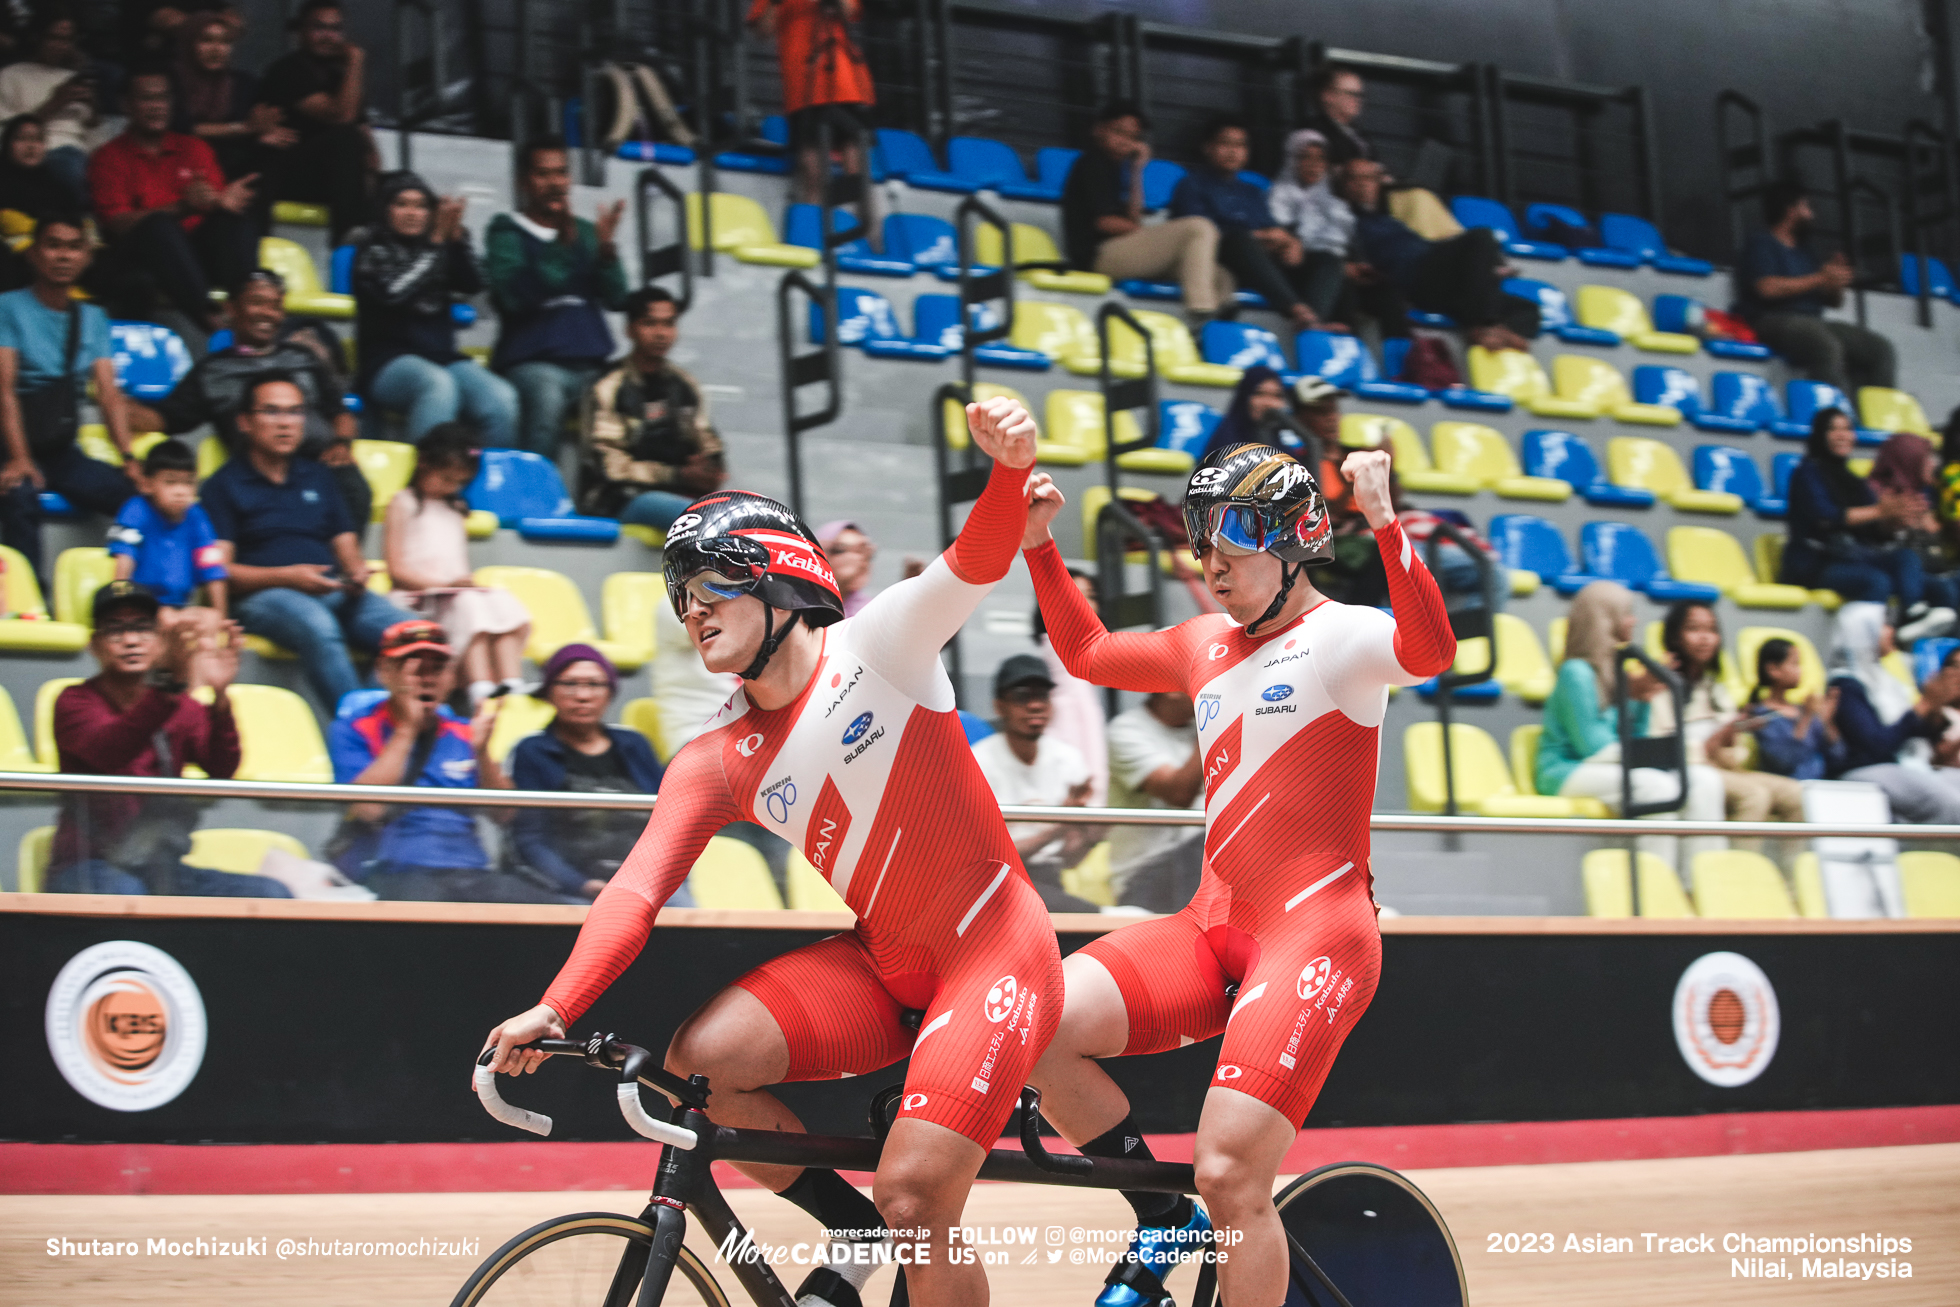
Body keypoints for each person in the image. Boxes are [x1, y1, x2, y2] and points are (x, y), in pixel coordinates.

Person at [484, 397, 1062, 1307]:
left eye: (709, 587)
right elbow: (635, 891)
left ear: (777, 580)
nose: (690, 612)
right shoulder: (714, 755)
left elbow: (976, 561)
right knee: (699, 1063)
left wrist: (1006, 469)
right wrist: (555, 1007)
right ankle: (855, 1233)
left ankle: (891, 1223)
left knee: (915, 1194)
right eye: (680, 598)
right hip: (886, 959)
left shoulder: (880, 645)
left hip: (993, 949)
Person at [1019, 439, 1454, 1307]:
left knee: (1227, 1171)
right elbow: (1087, 652)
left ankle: (1204, 1218)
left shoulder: (1346, 637)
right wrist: (1036, 542)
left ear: (1298, 541)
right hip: (1209, 926)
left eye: (1234, 538)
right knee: (1036, 1021)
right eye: (1200, 539)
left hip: (1316, 935)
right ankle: (1157, 1212)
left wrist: (1385, 518)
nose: (1210, 561)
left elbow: (1432, 651)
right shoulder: (1201, 643)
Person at [45, 580, 290, 897]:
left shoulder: (180, 705)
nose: (131, 640)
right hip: (86, 867)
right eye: (114, 630)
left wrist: (220, 698)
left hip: (159, 868)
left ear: (160, 641)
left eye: (143, 628)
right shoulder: (75, 701)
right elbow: (109, 751)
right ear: (94, 644)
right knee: (130, 896)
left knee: (271, 894)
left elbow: (221, 769)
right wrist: (170, 684)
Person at [331, 619, 576, 902]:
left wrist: (482, 753)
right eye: (414, 668)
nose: (427, 679)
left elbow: (505, 815)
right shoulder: (354, 728)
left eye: (437, 669)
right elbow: (367, 811)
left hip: (471, 871)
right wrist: (407, 730)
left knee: (555, 913)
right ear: (385, 671)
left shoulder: (464, 732)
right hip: (392, 871)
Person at [201, 373, 403, 711]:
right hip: (261, 596)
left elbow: (346, 545)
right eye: (272, 412)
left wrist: (355, 573)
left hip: (330, 588)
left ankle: (378, 719)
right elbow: (220, 573)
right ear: (245, 421)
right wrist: (287, 577)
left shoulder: (319, 475)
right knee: (318, 627)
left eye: (295, 412)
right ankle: (357, 730)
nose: (286, 424)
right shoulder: (223, 485)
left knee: (408, 634)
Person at [128, 267, 371, 528]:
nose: (268, 313)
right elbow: (164, 418)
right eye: (257, 303)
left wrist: (342, 443)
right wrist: (117, 402)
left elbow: (340, 413)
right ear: (231, 308)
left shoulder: (304, 357)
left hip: (319, 466)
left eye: (276, 305)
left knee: (354, 488)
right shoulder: (212, 372)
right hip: (259, 475)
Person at [1535, 581, 1728, 867]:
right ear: (1605, 618)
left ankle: (1702, 882)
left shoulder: (1620, 670)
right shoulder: (1576, 673)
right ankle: (1656, 885)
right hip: (1566, 770)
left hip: (1610, 763)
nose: (1633, 620)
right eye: (1626, 613)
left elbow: (1635, 736)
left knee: (1705, 781)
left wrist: (1642, 699)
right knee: (1658, 787)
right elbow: (1591, 746)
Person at [0, 212, 136, 587]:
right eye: (53, 245)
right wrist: (19, 457)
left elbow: (109, 393)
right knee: (20, 497)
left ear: (87, 257)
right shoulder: (7, 307)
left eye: (75, 247)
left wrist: (128, 458)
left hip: (60, 447)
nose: (64, 256)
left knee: (134, 497)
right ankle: (30, 601)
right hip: (10, 442)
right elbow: (4, 390)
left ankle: (133, 591)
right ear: (34, 254)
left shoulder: (93, 318)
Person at [507, 643, 683, 904]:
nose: (582, 695)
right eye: (569, 684)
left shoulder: (635, 745)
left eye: (594, 684)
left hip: (644, 882)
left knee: (689, 923)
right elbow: (531, 840)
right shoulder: (532, 751)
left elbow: (668, 825)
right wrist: (581, 885)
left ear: (610, 693)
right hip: (568, 887)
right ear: (549, 693)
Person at [487, 136, 628, 457]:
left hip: (593, 365)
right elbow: (513, 298)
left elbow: (618, 298)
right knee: (547, 398)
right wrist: (561, 249)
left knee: (638, 399)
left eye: (562, 173)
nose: (555, 183)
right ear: (523, 181)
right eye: (543, 174)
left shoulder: (587, 232)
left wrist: (606, 253)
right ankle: (534, 500)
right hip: (534, 364)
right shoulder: (506, 231)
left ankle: (609, 499)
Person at [88, 69, 259, 332]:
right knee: (158, 224)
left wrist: (221, 201)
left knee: (233, 222)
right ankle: (212, 322)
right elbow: (116, 224)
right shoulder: (108, 157)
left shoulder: (195, 148)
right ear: (126, 104)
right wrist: (182, 207)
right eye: (147, 99)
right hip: (136, 259)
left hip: (194, 258)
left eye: (163, 98)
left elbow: (212, 203)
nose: (156, 107)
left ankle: (248, 307)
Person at [353, 170, 516, 446]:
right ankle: (427, 482)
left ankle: (487, 486)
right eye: (401, 204)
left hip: (440, 356)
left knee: (501, 396)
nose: (412, 213)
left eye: (421, 206)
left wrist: (456, 240)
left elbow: (475, 284)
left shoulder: (439, 244)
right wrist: (436, 243)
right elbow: (393, 293)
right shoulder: (371, 248)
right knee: (437, 384)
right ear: (385, 209)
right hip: (386, 361)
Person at [383, 425, 530, 707]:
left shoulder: (455, 511)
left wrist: (463, 584)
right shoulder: (402, 503)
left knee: (501, 600)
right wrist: (445, 587)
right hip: (415, 600)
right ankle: (479, 687)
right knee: (468, 605)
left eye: (459, 482)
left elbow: (458, 568)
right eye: (446, 478)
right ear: (424, 463)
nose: (452, 488)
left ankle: (512, 683)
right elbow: (396, 571)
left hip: (451, 595)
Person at [1780, 407, 1955, 640]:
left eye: (1848, 429)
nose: (1842, 435)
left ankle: (1912, 617)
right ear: (1820, 434)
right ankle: (1871, 644)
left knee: (1912, 563)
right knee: (1876, 581)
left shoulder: (1853, 481)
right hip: (1817, 562)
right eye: (1833, 429)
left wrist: (1893, 521)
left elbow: (1873, 531)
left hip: (1854, 556)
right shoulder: (1806, 474)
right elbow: (1827, 518)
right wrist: (1880, 510)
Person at [1654, 601, 1805, 852]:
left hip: (1723, 770)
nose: (1705, 638)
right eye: (1694, 629)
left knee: (1795, 794)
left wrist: (1730, 739)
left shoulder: (1717, 689)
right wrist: (1709, 745)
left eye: (1711, 630)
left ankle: (1790, 886)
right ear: (1675, 637)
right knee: (1754, 796)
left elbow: (1736, 758)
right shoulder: (1660, 685)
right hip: (1689, 770)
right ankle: (1735, 882)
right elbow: (1658, 745)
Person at [1339, 158, 1533, 351]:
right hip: (1416, 275)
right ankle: (1484, 325)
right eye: (1354, 179)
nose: (1363, 184)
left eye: (1369, 178)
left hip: (1441, 278)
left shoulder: (1387, 217)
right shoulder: (1344, 219)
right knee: (1481, 236)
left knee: (1527, 307)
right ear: (1344, 185)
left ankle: (1497, 334)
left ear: (1378, 183)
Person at [1061, 101, 1228, 321]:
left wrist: (1137, 170)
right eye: (1118, 132)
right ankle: (1200, 314)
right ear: (1098, 130)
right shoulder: (1092, 163)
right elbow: (1105, 223)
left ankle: (1219, 332)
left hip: (1121, 250)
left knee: (1218, 275)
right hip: (1098, 256)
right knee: (1198, 227)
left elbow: (1132, 217)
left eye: (1133, 137)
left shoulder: (1119, 169)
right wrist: (1146, 233)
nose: (1125, 141)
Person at [578, 286, 723, 529]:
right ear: (630, 330)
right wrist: (677, 475)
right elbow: (610, 469)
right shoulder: (608, 387)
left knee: (746, 516)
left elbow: (707, 438)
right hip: (618, 498)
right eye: (650, 323)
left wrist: (710, 466)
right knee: (705, 519)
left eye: (668, 324)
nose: (661, 334)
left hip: (677, 494)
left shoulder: (684, 384)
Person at [1734, 179, 1896, 396]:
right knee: (1825, 344)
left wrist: (1836, 282)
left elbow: (1834, 302)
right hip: (1771, 319)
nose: (1812, 215)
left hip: (1813, 322)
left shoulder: (1806, 252)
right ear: (1790, 210)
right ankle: (1835, 417)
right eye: (1807, 207)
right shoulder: (1761, 243)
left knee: (1880, 350)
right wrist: (1821, 277)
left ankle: (1875, 421)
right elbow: (1767, 288)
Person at [970, 652, 1103, 913]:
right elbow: (992, 862)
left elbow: (1069, 860)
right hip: (996, 888)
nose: (1034, 706)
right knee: (1092, 919)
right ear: (999, 706)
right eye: (1022, 697)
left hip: (1050, 882)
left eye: (1042, 696)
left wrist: (1091, 832)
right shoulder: (978, 762)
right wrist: (1060, 824)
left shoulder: (1067, 758)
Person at [1170, 116, 1317, 329]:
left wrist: (1290, 243)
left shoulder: (1253, 192)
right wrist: (1260, 237)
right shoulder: (1191, 185)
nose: (1233, 151)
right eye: (1225, 143)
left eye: (1240, 145)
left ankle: (1318, 320)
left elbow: (1272, 230)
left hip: (1258, 264)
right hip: (1218, 262)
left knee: (1325, 259)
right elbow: (1203, 235)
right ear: (1208, 148)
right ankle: (1295, 308)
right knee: (1239, 241)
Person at [1822, 602, 1960, 822]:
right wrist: (1924, 705)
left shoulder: (1888, 680)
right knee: (1950, 803)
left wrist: (1935, 708)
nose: (1891, 631)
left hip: (1903, 766)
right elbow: (1875, 747)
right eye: (1884, 625)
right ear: (1861, 632)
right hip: (1864, 769)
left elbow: (1918, 735)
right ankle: (1938, 856)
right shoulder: (1845, 687)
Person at [252, 0, 372, 242]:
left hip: (329, 178)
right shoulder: (288, 70)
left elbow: (362, 129)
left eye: (335, 29)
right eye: (320, 27)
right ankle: (347, 237)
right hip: (289, 174)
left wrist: (373, 168)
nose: (328, 36)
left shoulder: (340, 75)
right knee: (344, 139)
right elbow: (341, 116)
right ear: (301, 31)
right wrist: (356, 60)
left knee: (402, 187)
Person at [745, 0, 876, 211]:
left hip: (844, 83)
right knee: (813, 176)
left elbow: (850, 10)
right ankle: (813, 238)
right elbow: (762, 31)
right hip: (803, 86)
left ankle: (867, 241)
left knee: (857, 174)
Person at [107, 436, 227, 641]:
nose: (180, 491)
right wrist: (122, 612)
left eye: (188, 483)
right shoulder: (133, 511)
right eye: (170, 482)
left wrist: (221, 616)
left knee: (209, 619)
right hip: (141, 606)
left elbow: (213, 570)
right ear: (146, 484)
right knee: (167, 619)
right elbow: (123, 563)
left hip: (180, 608)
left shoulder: (198, 516)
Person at [1103, 691, 1203, 913]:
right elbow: (1179, 793)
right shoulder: (1127, 730)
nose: (1208, 689)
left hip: (1197, 870)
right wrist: (1214, 727)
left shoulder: (1196, 729)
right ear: (1171, 691)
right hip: (1142, 877)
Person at [171, 8, 291, 180]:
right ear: (189, 43)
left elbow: (258, 124)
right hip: (181, 166)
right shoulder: (172, 81)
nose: (216, 49)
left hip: (230, 166)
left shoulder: (243, 84)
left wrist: (262, 134)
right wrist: (244, 129)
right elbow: (180, 127)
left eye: (225, 42)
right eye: (206, 40)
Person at [0, 12, 101, 203]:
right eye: (54, 38)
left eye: (68, 40)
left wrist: (92, 105)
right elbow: (8, 131)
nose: (61, 46)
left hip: (81, 150)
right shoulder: (11, 75)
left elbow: (93, 127)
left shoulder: (71, 76)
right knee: (70, 170)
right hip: (44, 149)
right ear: (36, 38)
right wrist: (55, 102)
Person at [1032, 564, 1107, 805]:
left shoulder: (1086, 663)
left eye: (1091, 597)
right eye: (1076, 596)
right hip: (1072, 808)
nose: (1087, 604)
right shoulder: (1062, 667)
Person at [1267, 129, 1352, 323]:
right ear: (1291, 160)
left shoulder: (1333, 203)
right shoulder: (1278, 196)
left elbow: (1347, 241)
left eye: (1321, 159)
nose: (1314, 165)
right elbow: (1280, 237)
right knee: (1332, 263)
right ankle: (1311, 324)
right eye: (1305, 157)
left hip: (1324, 269)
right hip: (1289, 266)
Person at [1746, 636, 1844, 781]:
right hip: (1789, 788)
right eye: (1795, 663)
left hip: (1821, 785)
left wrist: (1827, 721)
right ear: (1773, 669)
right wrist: (1807, 717)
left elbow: (1838, 755)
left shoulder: (1802, 710)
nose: (1800, 670)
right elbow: (1786, 761)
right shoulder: (1761, 715)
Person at [1202, 364, 1318, 463]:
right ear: (1244, 398)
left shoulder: (1285, 449)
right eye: (1259, 394)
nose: (1269, 403)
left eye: (1277, 396)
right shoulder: (1226, 446)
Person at [0, 114, 78, 227]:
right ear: (7, 143)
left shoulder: (59, 190)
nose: (31, 146)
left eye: (38, 139)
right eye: (22, 138)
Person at [1302, 64, 1371, 170]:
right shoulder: (1312, 135)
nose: (1358, 100)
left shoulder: (1360, 135)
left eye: (1360, 95)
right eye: (1351, 94)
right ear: (1327, 95)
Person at [813, 519, 876, 618]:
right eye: (841, 549)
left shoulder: (871, 611)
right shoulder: (795, 607)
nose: (863, 559)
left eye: (868, 552)